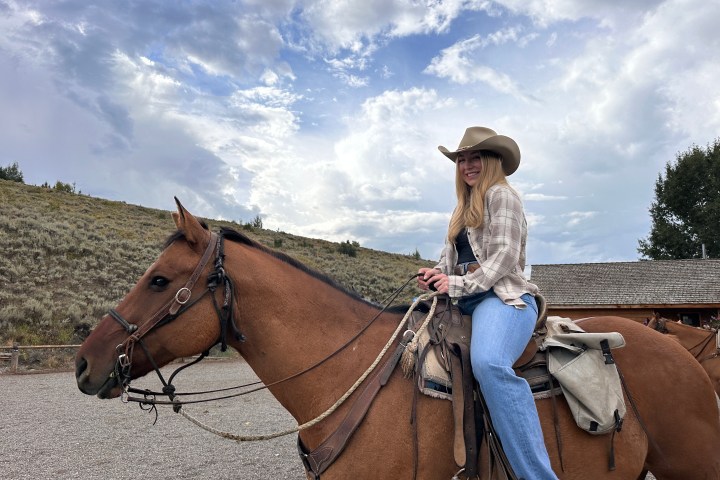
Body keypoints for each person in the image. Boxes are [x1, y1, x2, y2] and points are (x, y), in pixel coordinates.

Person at [418, 126, 557, 479]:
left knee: (489, 363)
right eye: (461, 159)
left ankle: (538, 475)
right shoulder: (461, 208)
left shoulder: (502, 196)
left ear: (492, 160)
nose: (467, 165)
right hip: (464, 297)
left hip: (503, 298)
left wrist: (457, 283)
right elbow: (447, 260)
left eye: (474, 157)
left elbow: (504, 258)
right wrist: (435, 275)